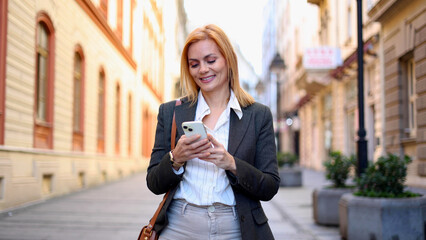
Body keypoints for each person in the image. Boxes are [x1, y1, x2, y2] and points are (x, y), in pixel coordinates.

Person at [146, 24, 280, 240]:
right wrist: (176, 159)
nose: (203, 70)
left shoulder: (258, 115)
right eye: (194, 64)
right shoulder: (171, 112)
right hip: (179, 227)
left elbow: (270, 186)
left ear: (228, 60)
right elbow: (153, 182)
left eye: (211, 60)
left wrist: (231, 163)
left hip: (235, 229)